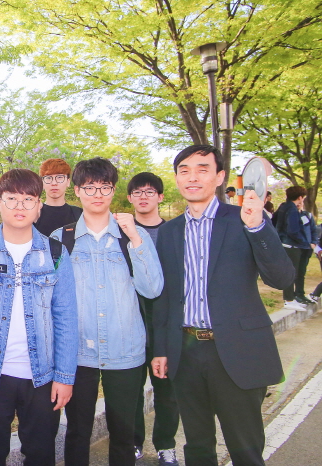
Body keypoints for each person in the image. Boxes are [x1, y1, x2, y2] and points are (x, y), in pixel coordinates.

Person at [151, 144, 295, 466]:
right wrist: (160, 348)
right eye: (184, 171)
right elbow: (165, 296)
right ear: (177, 178)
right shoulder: (170, 231)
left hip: (237, 349)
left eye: (202, 170)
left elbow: (282, 278)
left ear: (219, 177)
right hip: (186, 350)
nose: (192, 177)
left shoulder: (244, 218)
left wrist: (257, 226)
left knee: (245, 448)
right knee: (197, 446)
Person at [0, 168, 78, 466]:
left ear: (38, 206)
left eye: (28, 199)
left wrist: (64, 377)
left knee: (41, 455)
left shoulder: (56, 253)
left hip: (42, 376)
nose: (19, 206)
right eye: (11, 198)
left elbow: (66, 318)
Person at [56, 159, 163, 466]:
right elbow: (52, 299)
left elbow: (152, 289)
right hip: (78, 352)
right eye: (89, 187)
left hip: (125, 349)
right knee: (77, 431)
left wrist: (136, 239)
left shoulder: (133, 235)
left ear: (114, 190)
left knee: (124, 433)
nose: (97, 194)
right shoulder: (60, 238)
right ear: (77, 191)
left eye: (104, 187)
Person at [126, 172, 180, 466]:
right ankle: (134, 442)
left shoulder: (174, 233)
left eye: (150, 191)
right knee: (132, 388)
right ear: (129, 198)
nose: (143, 197)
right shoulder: (121, 233)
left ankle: (166, 445)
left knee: (166, 388)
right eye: (137, 192)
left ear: (160, 196)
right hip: (131, 318)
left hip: (167, 319)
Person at [275, 186, 311, 309]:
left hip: (283, 243)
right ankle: (289, 300)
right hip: (292, 245)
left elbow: (274, 221)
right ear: (300, 197)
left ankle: (290, 299)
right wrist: (304, 242)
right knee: (292, 273)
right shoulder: (292, 210)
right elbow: (293, 230)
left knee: (290, 272)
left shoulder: (283, 206)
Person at [34, 158, 82, 236]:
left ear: (68, 182)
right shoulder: (34, 213)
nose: (54, 183)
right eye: (48, 178)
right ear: (42, 183)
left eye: (59, 177)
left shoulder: (79, 214)